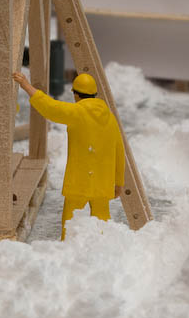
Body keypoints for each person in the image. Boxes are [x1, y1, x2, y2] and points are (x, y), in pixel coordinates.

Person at [13, 70, 125, 240]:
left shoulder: (77, 112)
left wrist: (26, 85)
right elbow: (119, 150)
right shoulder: (110, 118)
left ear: (76, 94)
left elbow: (50, 107)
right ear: (95, 94)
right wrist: (119, 182)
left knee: (70, 221)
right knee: (102, 222)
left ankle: (68, 245)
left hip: (79, 181)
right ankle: (102, 248)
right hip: (102, 182)